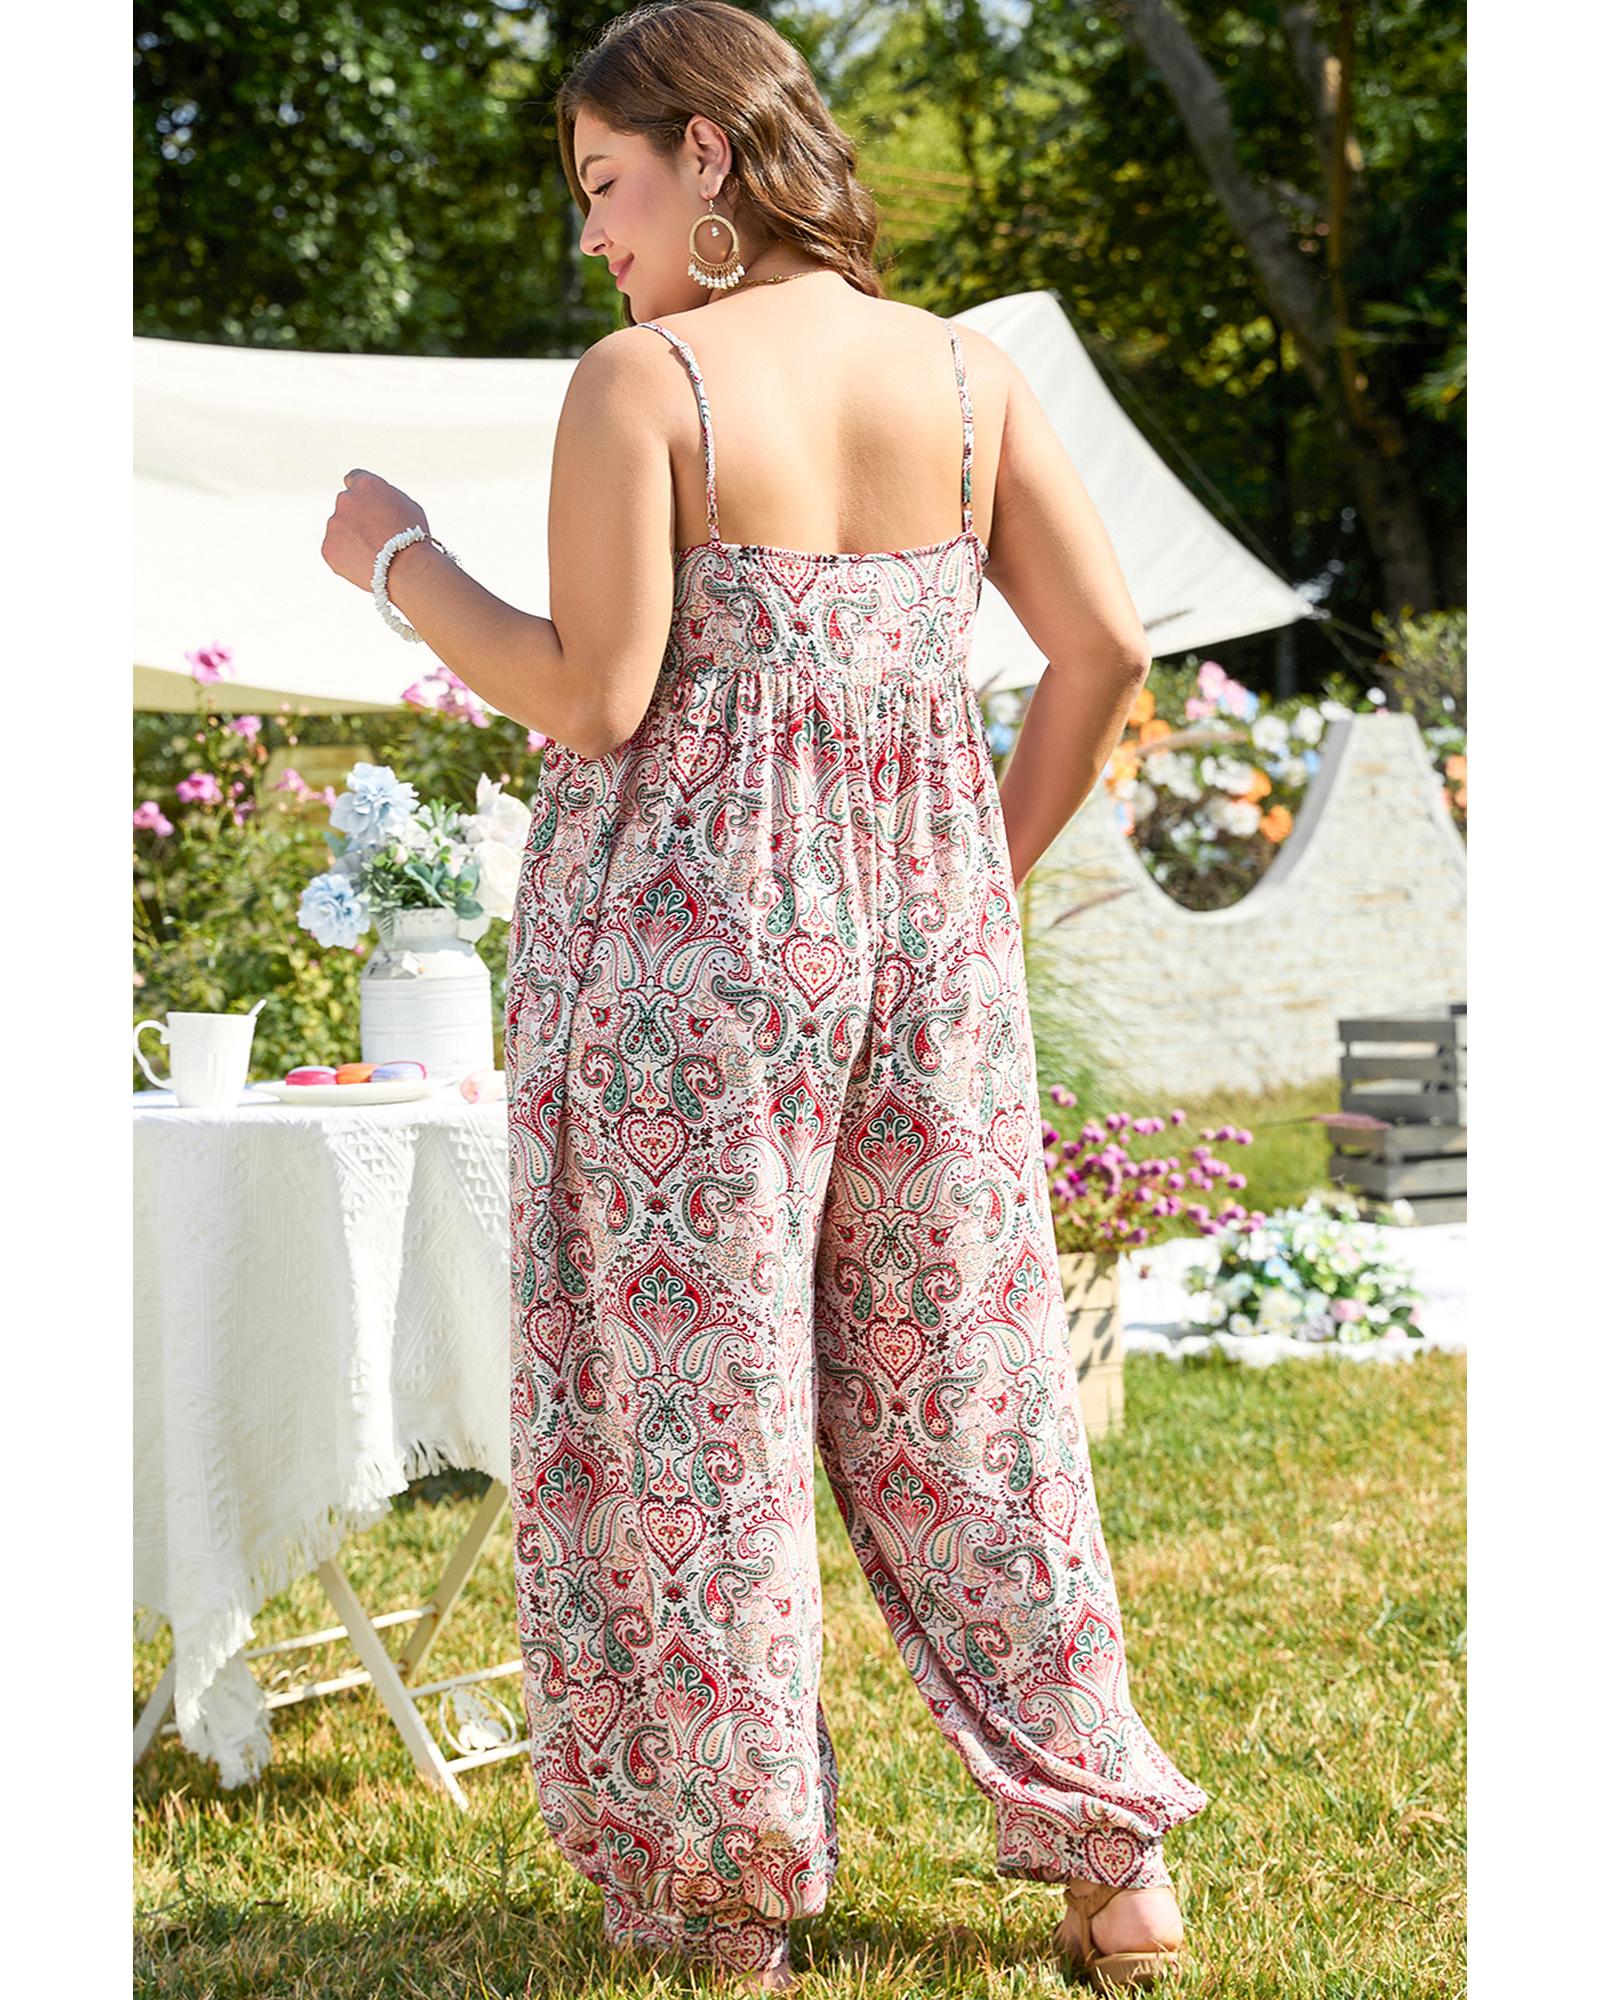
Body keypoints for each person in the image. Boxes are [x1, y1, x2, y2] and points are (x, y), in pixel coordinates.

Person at [323, 4, 1208, 1988]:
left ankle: (728, 1899)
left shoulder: (645, 382)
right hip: (920, 960)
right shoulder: (969, 376)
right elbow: (1102, 651)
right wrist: (961, 886)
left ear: (708, 154)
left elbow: (591, 695)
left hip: (675, 970)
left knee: (687, 1420)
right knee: (975, 1396)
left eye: (605, 184)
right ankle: (1114, 1864)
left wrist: (398, 563)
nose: (591, 237)